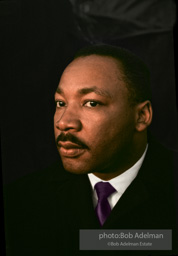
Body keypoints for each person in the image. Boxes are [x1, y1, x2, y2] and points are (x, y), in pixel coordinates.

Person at [4, 45, 176, 256]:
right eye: (61, 103)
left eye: (91, 103)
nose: (64, 122)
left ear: (141, 116)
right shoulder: (21, 201)